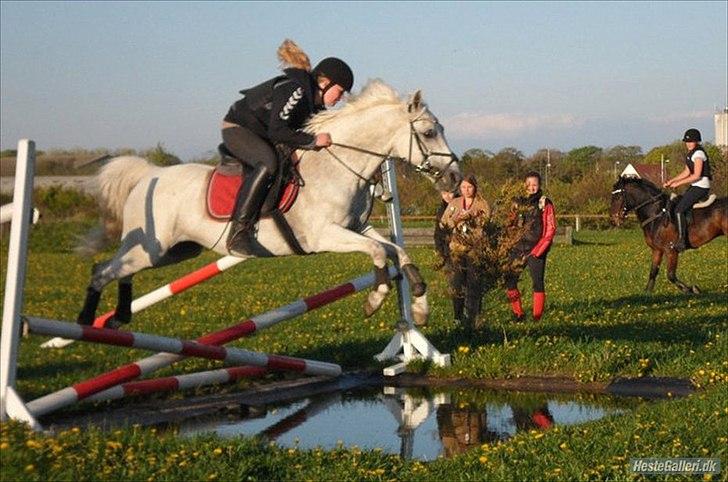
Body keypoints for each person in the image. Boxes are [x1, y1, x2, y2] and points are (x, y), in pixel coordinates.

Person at [221, 39, 353, 254]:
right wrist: (312, 141)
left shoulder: (313, 103)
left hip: (260, 131)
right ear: (324, 82)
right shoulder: (298, 90)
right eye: (340, 91)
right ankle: (239, 233)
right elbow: (277, 131)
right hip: (239, 127)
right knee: (269, 163)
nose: (341, 98)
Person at [439, 175, 491, 330]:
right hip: (457, 249)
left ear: (475, 187)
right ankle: (457, 317)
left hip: (475, 249)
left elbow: (486, 222)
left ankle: (474, 317)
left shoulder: (482, 203)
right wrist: (455, 221)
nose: (466, 190)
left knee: (474, 283)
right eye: (463, 187)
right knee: (457, 283)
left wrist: (472, 218)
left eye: (469, 187)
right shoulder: (454, 203)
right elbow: (443, 222)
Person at [504, 171, 556, 322]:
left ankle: (537, 318)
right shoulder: (516, 202)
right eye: (529, 184)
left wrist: (538, 250)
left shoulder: (545, 203)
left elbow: (550, 228)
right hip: (517, 248)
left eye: (535, 184)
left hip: (537, 249)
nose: (531, 187)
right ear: (523, 185)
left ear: (539, 186)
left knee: (537, 283)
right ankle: (518, 314)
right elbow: (509, 224)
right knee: (510, 281)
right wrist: (509, 242)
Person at [663, 128, 713, 252]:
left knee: (679, 209)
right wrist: (672, 181)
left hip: (702, 186)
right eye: (687, 141)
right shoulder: (690, 154)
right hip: (695, 186)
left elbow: (696, 175)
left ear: (697, 142)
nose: (688, 144)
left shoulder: (698, 154)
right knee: (678, 203)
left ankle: (682, 241)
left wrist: (678, 183)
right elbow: (686, 172)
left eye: (691, 141)